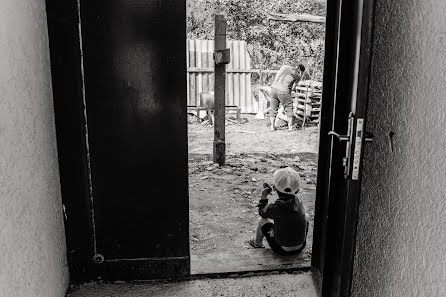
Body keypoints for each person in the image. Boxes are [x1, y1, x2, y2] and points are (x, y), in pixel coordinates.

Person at [248, 167, 309, 255]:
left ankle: (257, 242)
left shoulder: (277, 207)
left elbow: (262, 212)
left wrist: (264, 197)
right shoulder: (299, 201)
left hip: (282, 249)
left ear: (275, 188)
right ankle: (298, 241)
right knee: (306, 216)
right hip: (301, 246)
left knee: (263, 221)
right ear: (297, 190)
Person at [269, 65, 301, 131]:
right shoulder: (297, 75)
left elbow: (277, 76)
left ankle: (272, 127)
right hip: (283, 91)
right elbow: (292, 88)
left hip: (273, 88)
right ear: (300, 70)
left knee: (273, 108)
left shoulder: (284, 66)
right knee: (289, 107)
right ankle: (290, 127)